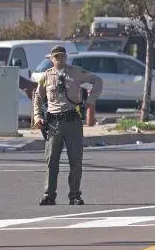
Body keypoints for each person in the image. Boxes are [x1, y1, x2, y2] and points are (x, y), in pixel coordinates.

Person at [33, 45, 103, 206]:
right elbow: (37, 96)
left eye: (62, 56)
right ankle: (49, 195)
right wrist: (37, 116)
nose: (59, 59)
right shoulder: (46, 76)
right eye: (56, 57)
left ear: (66, 57)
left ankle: (75, 195)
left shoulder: (76, 72)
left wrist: (90, 101)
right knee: (51, 161)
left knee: (75, 160)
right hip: (53, 123)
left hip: (72, 121)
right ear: (51, 59)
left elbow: (97, 81)